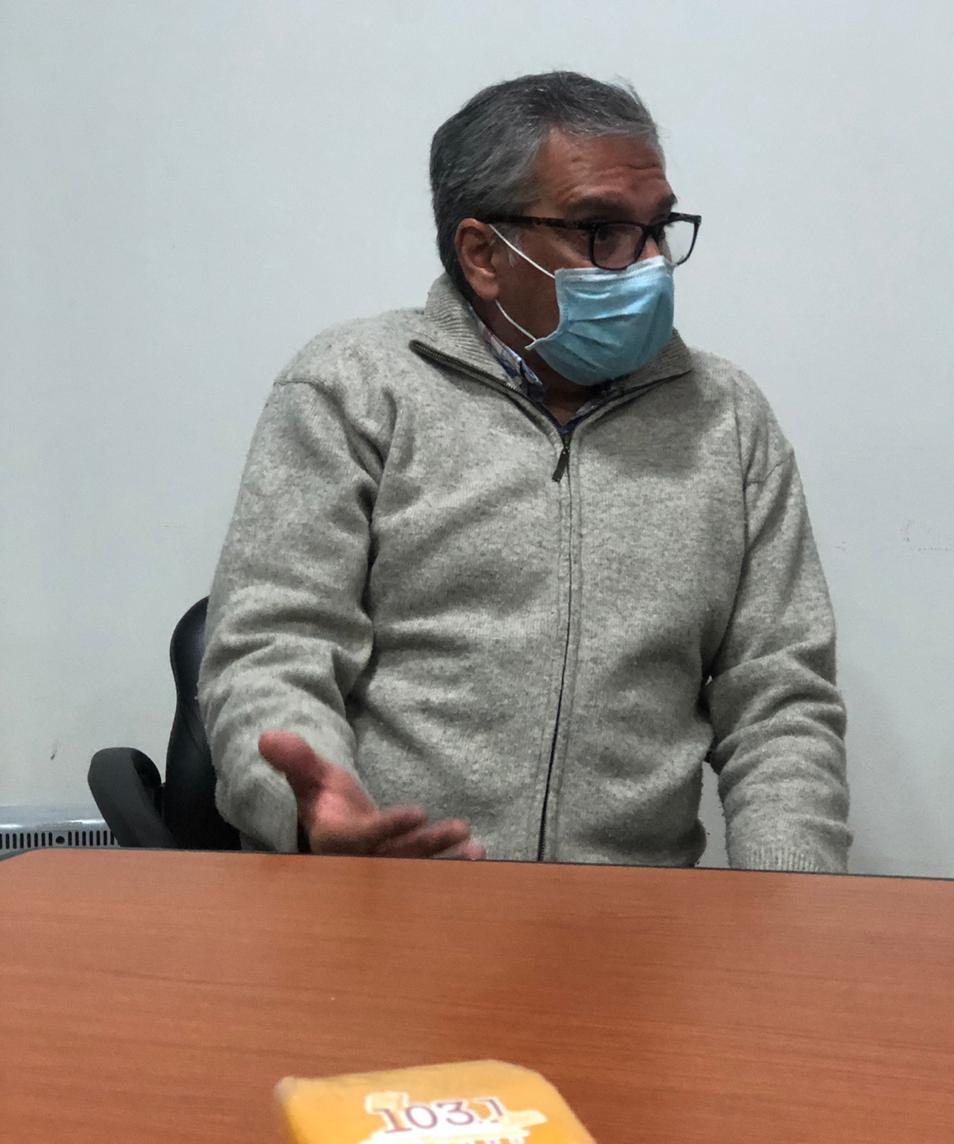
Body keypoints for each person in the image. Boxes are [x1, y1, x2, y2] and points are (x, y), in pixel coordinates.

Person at [198, 71, 851, 872]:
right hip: (386, 896)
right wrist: (312, 813)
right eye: (603, 230)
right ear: (484, 254)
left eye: (658, 226)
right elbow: (274, 646)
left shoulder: (728, 418)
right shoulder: (355, 387)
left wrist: (790, 907)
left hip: (634, 919)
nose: (651, 263)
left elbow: (781, 704)